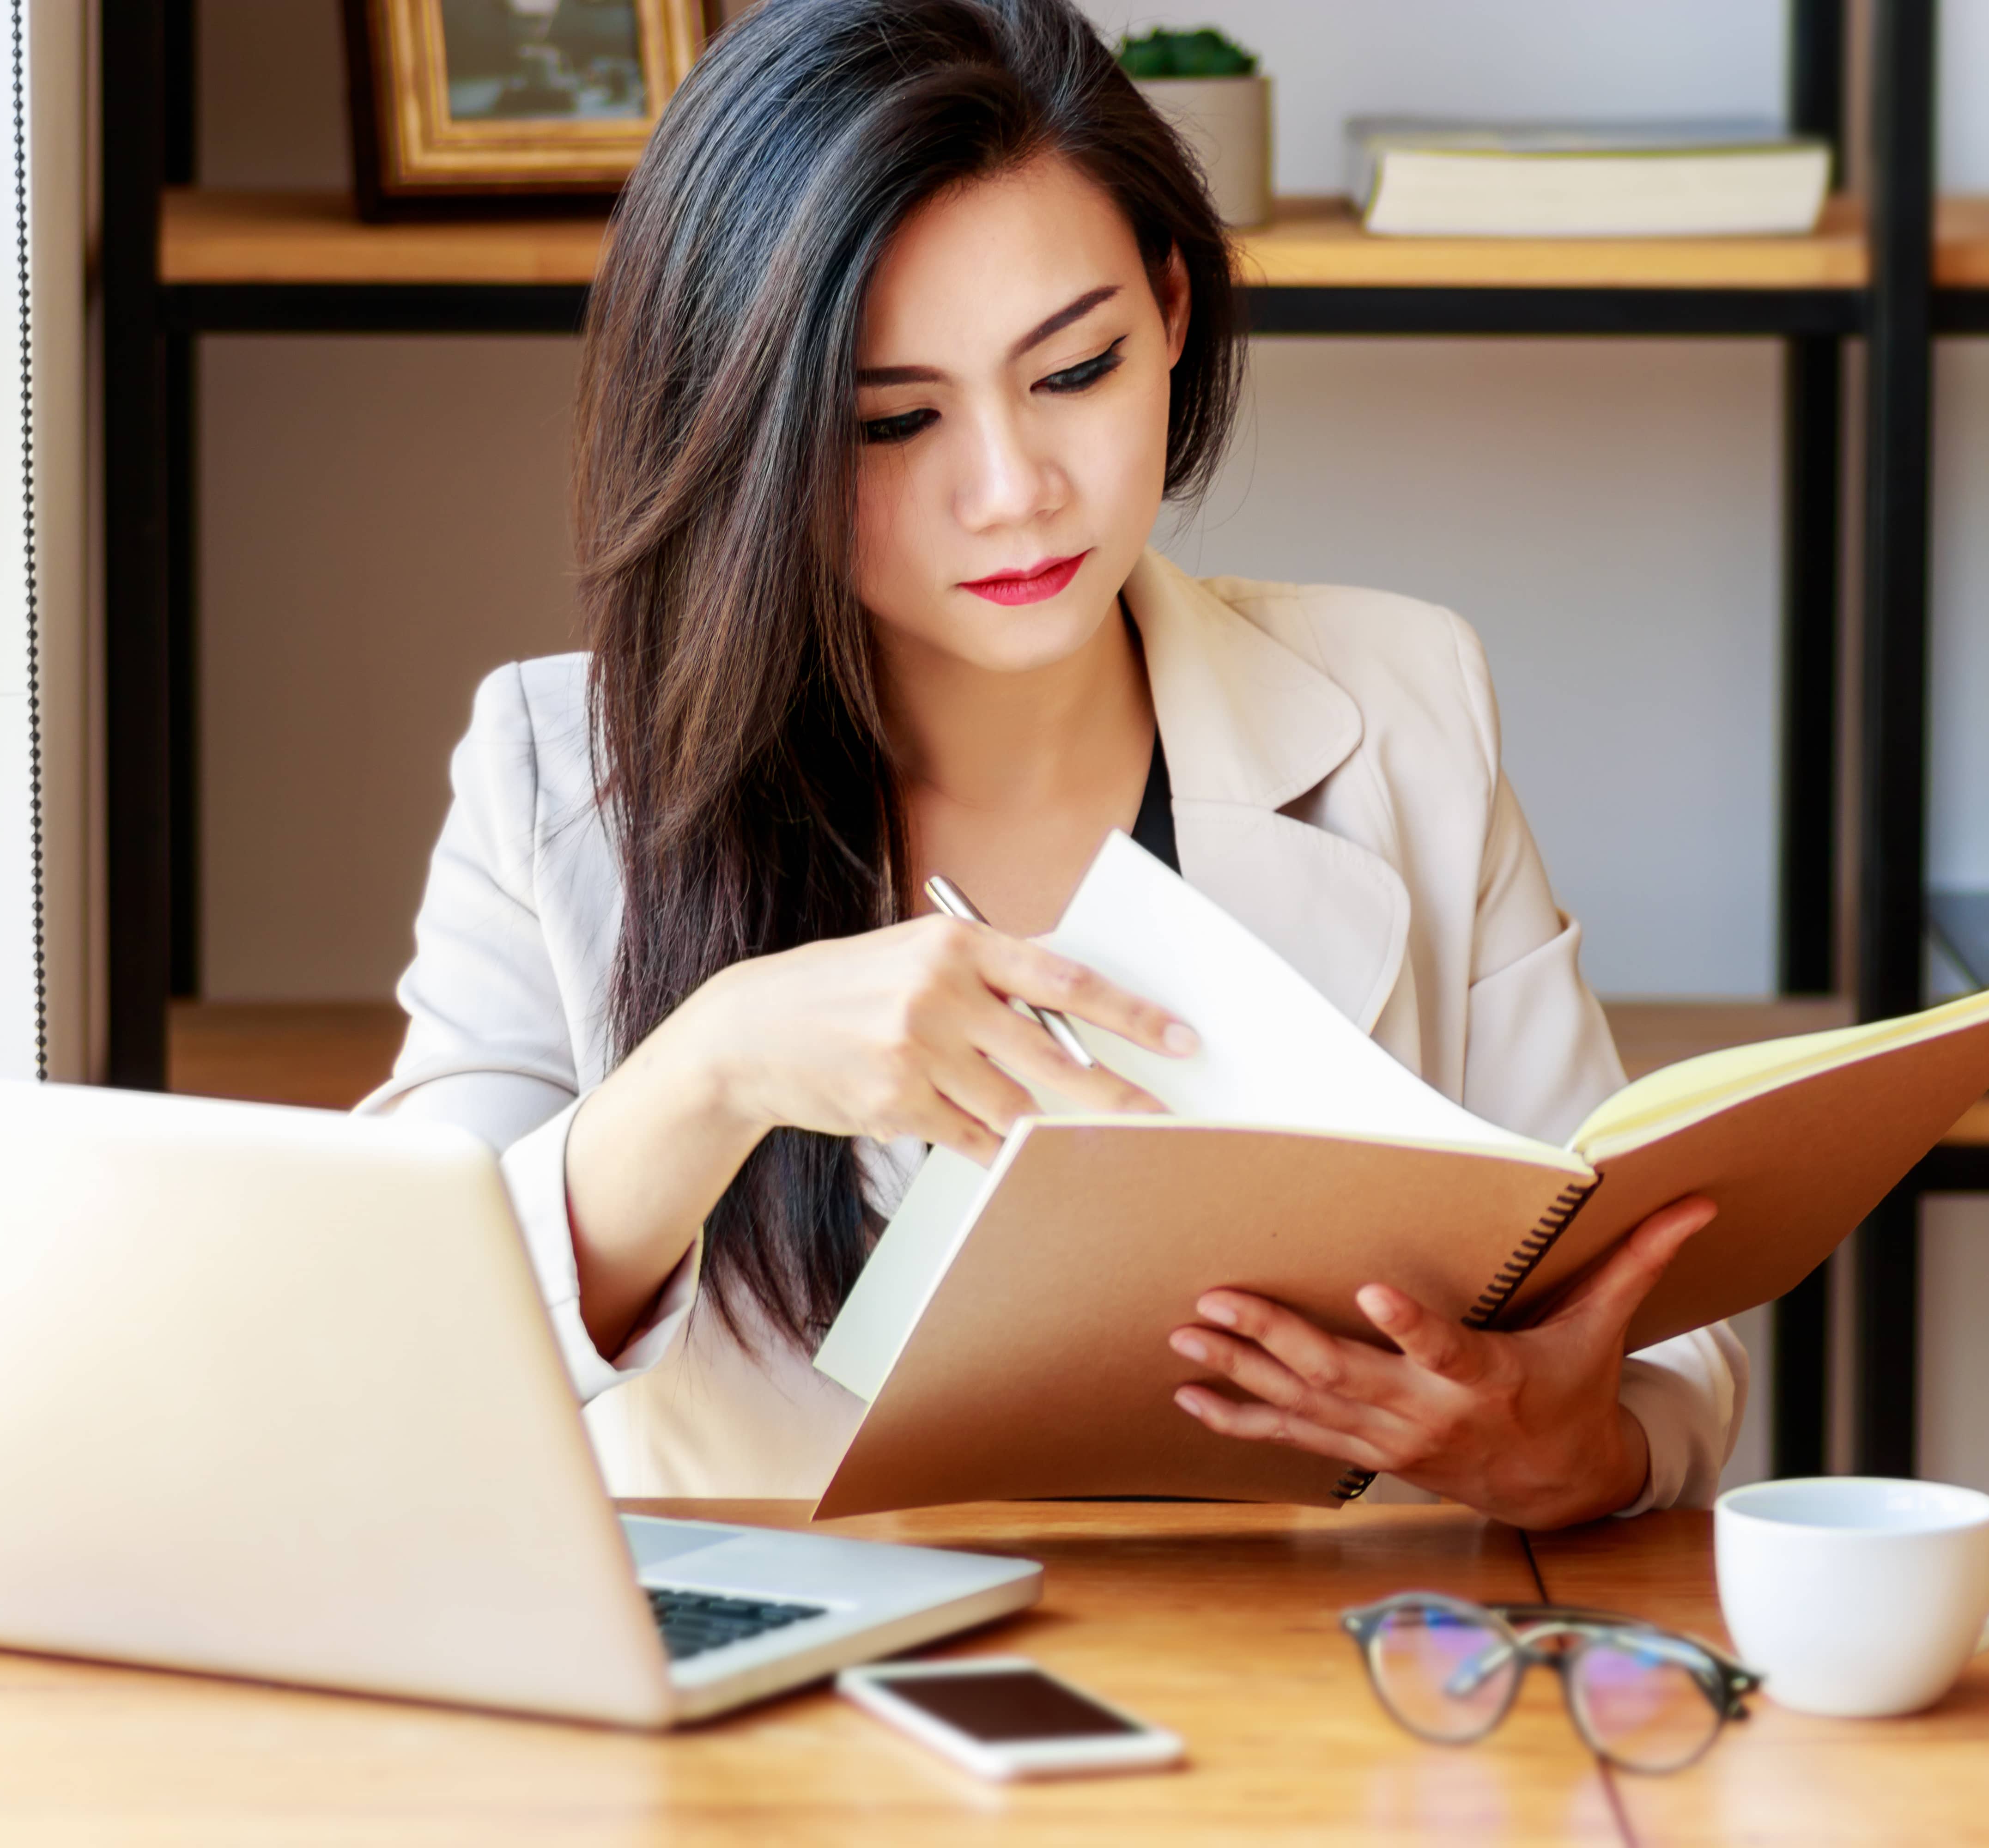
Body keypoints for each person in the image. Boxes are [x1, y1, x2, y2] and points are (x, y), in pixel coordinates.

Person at [366, 0, 1745, 1527]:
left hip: (1319, 1715)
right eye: (892, 423)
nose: (1014, 492)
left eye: (1074, 372)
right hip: (790, 1741)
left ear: (1168, 309)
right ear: (746, 431)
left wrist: (1569, 1452)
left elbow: (1646, 1331)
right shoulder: (561, 774)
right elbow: (398, 1351)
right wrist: (715, 1067)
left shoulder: (1402, 699)